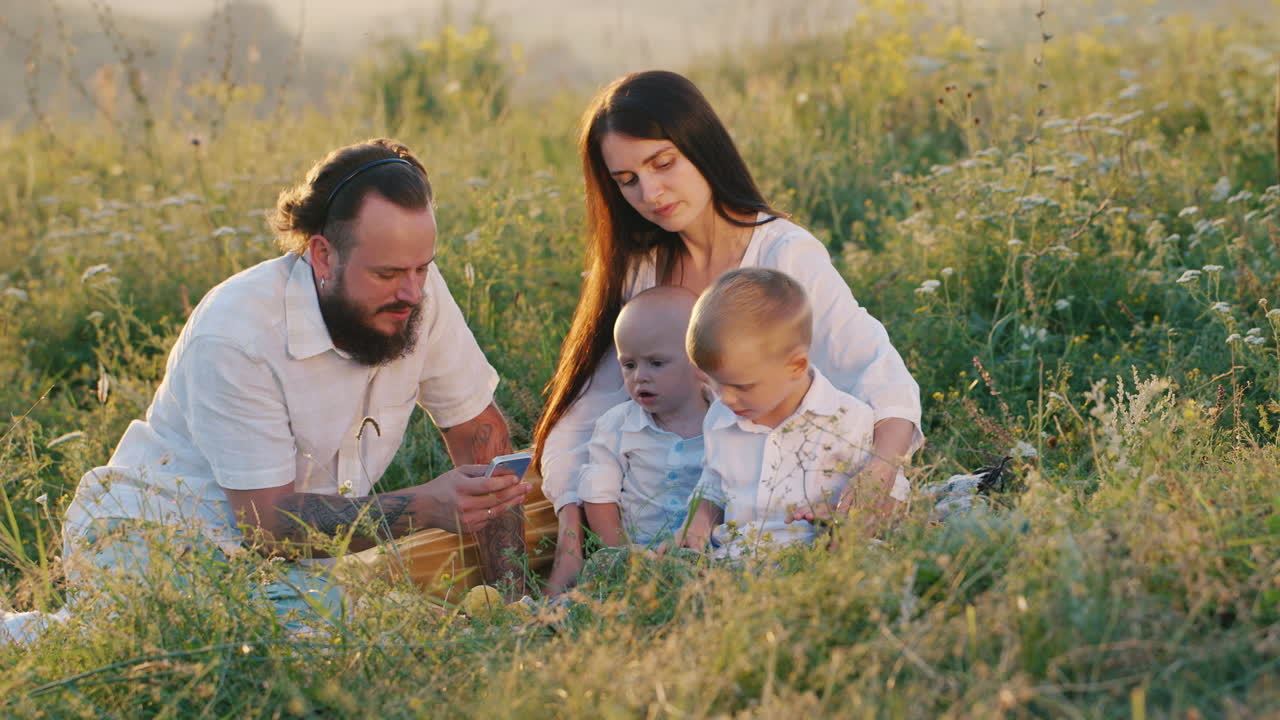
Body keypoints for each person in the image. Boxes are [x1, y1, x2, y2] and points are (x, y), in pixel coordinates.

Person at [60, 138, 531, 624]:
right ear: (323, 256)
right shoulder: (238, 333)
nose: (412, 292)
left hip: (286, 565)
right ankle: (39, 634)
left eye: (422, 268)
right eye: (388, 273)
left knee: (409, 627)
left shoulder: (417, 293)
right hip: (151, 541)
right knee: (366, 631)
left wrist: (513, 600)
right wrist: (422, 507)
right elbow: (265, 525)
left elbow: (483, 438)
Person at [533, 70, 923, 593]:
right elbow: (583, 416)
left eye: (663, 163)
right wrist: (570, 547)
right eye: (626, 180)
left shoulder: (782, 254)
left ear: (702, 146)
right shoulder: (639, 273)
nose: (650, 192)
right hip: (678, 524)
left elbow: (879, 376)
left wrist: (877, 478)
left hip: (785, 501)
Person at [677, 268, 910, 556]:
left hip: (817, 556)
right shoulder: (721, 418)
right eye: (713, 382)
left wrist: (845, 516)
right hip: (738, 557)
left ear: (796, 366)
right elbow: (715, 482)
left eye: (742, 386)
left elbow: (891, 492)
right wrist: (699, 521)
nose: (725, 398)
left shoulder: (845, 420)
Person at [578, 286, 708, 549]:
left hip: (710, 551)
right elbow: (599, 494)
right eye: (629, 365)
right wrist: (622, 555)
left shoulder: (724, 420)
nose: (640, 376)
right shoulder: (618, 425)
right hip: (640, 552)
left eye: (656, 363)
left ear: (700, 361)